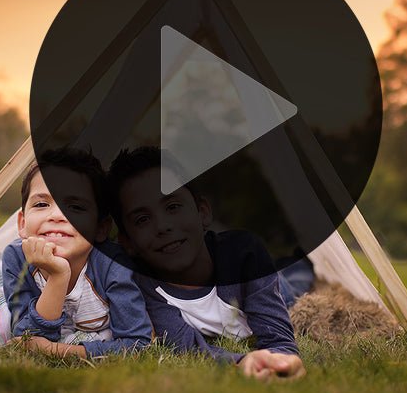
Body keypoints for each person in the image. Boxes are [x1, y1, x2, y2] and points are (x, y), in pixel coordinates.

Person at [106, 147, 305, 380]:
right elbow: (188, 348)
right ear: (127, 242)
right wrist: (243, 363)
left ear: (202, 213)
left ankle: (301, 263)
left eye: (172, 207)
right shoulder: (143, 286)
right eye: (142, 219)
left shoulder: (244, 253)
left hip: (280, 286)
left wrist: (283, 359)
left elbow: (278, 338)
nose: (162, 226)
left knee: (298, 279)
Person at [2, 147, 152, 359]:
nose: (56, 215)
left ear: (101, 228)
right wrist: (57, 276)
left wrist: (58, 351)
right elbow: (27, 339)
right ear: (23, 223)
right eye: (42, 204)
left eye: (76, 207)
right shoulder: (16, 258)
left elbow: (138, 344)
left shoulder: (113, 265)